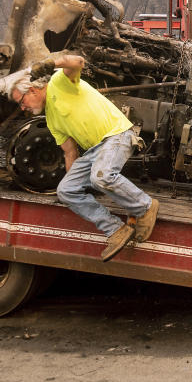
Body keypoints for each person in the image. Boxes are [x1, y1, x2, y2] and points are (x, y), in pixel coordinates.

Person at [9, 54, 158, 261]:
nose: (22, 107)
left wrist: (52, 63)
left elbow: (78, 61)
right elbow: (70, 152)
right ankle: (116, 230)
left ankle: (145, 206)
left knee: (101, 176)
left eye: (21, 101)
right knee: (65, 190)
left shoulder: (60, 83)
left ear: (33, 90)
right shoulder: (51, 119)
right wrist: (76, 182)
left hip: (117, 135)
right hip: (95, 150)